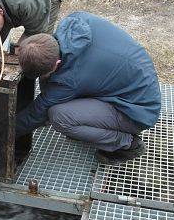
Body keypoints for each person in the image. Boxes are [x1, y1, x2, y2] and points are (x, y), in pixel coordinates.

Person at [15, 11, 161, 163]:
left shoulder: (71, 79)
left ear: (57, 63)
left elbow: (38, 112)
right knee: (51, 85)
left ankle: (127, 144)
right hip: (136, 82)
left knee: (58, 116)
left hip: (138, 110)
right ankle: (86, 122)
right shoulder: (74, 21)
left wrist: (7, 131)